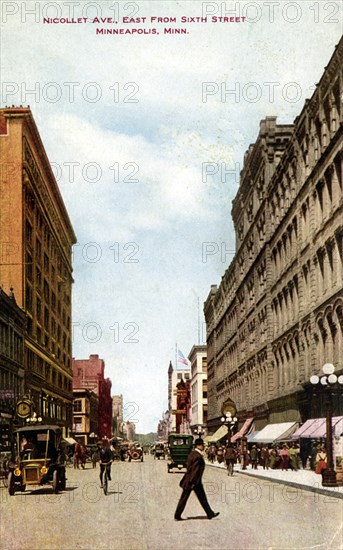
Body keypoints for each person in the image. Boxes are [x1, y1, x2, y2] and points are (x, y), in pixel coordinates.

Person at [174, 438, 219, 521]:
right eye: (202, 445)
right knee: (185, 498)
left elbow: (189, 467)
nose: (203, 447)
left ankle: (210, 513)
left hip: (192, 480)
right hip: (193, 481)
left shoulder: (192, 454)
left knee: (201, 498)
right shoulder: (198, 456)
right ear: (199, 446)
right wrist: (193, 482)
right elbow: (195, 470)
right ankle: (177, 515)